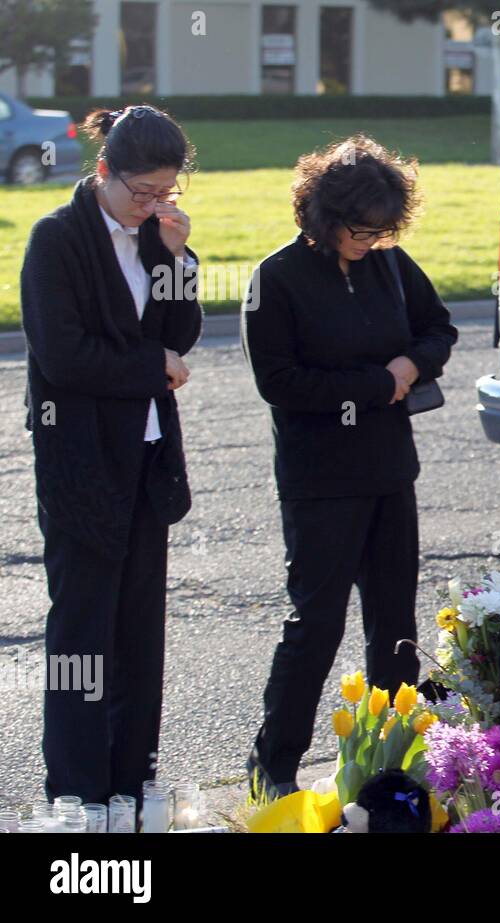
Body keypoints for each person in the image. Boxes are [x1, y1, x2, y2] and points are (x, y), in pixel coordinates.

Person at [243, 135, 458, 794]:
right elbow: (280, 381)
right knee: (316, 624)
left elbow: (440, 328)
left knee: (394, 623)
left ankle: (387, 759)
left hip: (390, 469)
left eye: (383, 229)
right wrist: (374, 384)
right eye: (360, 230)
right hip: (320, 480)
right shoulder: (274, 279)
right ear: (324, 215)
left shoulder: (390, 264)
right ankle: (274, 765)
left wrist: (412, 363)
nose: (370, 240)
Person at [20, 104, 202, 805]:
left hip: (147, 460)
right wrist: (149, 362)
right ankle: (75, 791)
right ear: (102, 171)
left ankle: (132, 784)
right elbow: (63, 357)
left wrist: (181, 259)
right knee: (81, 637)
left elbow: (182, 333)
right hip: (80, 462)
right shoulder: (56, 239)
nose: (153, 205)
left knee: (137, 634)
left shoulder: (159, 238)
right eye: (142, 192)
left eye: (168, 192)